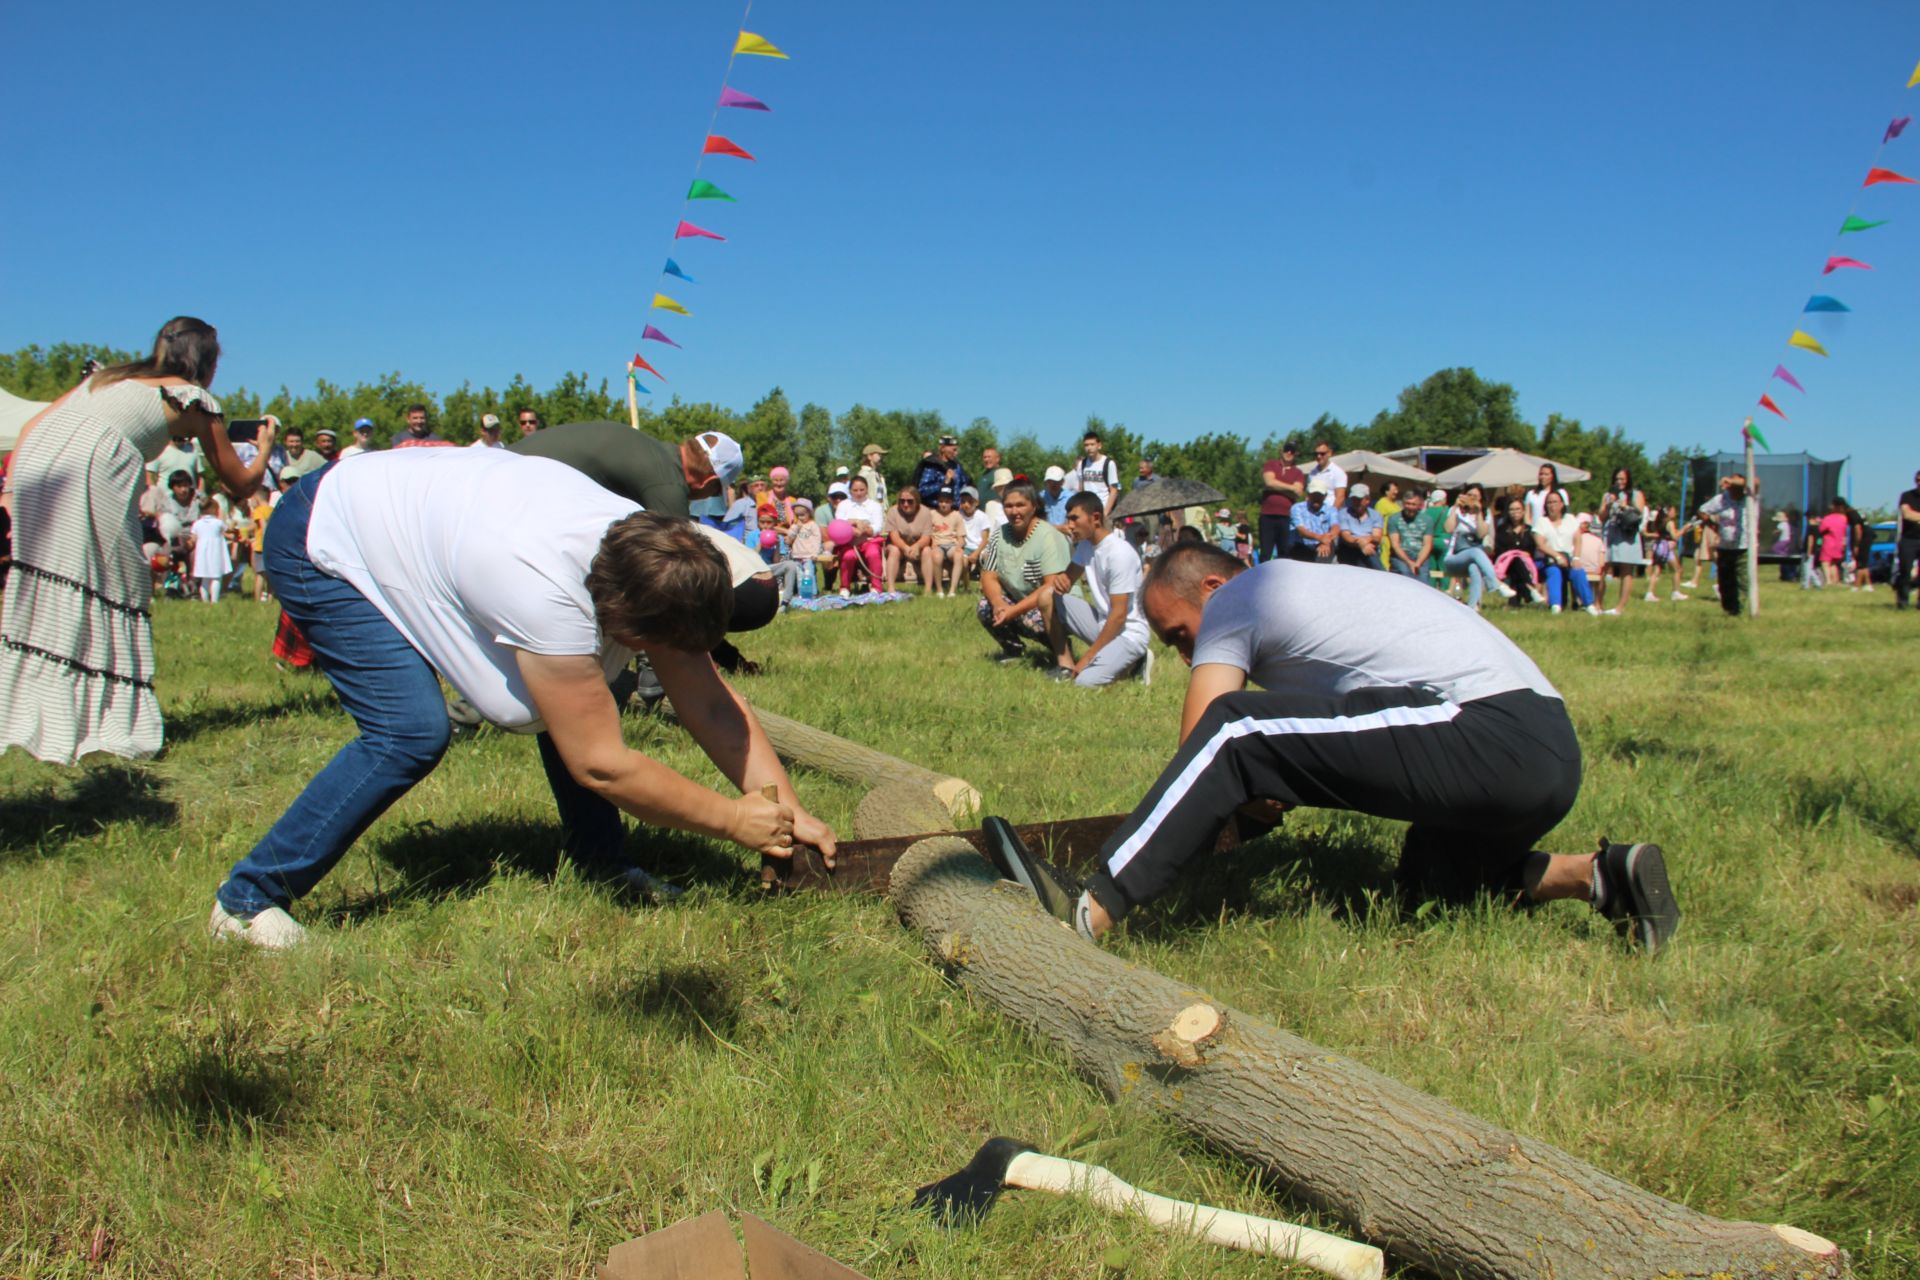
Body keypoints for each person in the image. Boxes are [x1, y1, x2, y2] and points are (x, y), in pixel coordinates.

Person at [207, 448, 838, 949]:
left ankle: (601, 862)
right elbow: (600, 762)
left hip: (429, 517)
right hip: (326, 534)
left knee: (576, 701)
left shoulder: (648, 557)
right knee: (410, 733)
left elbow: (709, 702)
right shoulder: (543, 589)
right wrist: (733, 820)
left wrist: (788, 809)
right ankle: (248, 900)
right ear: (616, 616)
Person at [984, 542, 1680, 954]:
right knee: (1426, 891)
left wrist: (1223, 806)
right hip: (1548, 750)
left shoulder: (1241, 598)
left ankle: (1086, 909)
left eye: (1177, 634)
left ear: (1213, 587)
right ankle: (1599, 876)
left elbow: (1205, 740)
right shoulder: (1318, 590)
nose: (1186, 650)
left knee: (1239, 730)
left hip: (1486, 729)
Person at [0, 318, 274, 763]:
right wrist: (264, 447)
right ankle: (103, 719)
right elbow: (240, 483)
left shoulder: (109, 378)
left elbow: (33, 425)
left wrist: (11, 490)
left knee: (45, 582)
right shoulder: (193, 398)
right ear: (207, 360)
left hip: (36, 460)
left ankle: (31, 709)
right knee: (116, 582)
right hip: (94, 465)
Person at [1045, 491, 1153, 687]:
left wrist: (1088, 657)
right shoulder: (1086, 545)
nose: (1069, 525)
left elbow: (1119, 615)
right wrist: (1062, 579)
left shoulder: (1119, 553)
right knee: (1046, 596)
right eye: (1068, 519)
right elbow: (1068, 578)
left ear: (1095, 518)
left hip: (1127, 633)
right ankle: (1066, 666)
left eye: (1074, 519)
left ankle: (1136, 663)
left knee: (1085, 682)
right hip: (1104, 623)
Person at [976, 482, 1073, 662]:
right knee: (985, 606)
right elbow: (988, 575)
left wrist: (1013, 612)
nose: (1014, 511)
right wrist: (998, 604)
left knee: (1035, 621)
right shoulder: (999, 535)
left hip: (1055, 606)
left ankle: (1061, 649)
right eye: (1009, 506)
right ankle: (1014, 651)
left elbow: (1051, 585)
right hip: (1019, 601)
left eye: (1020, 505)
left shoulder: (1048, 536)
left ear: (1034, 506)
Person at [1442, 484, 1513, 607]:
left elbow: (1481, 534)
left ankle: (1473, 606)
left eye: (1475, 497)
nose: (1471, 498)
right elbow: (1448, 529)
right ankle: (1496, 583)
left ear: (1480, 499)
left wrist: (1478, 512)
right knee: (1475, 552)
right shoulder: (1456, 511)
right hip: (1454, 558)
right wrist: (1455, 506)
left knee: (1474, 567)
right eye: (1469, 495)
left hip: (1473, 558)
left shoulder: (1485, 513)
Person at [1533, 491, 1599, 615]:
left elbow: (1578, 539)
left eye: (1555, 502)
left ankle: (1589, 605)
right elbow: (1540, 544)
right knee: (1554, 572)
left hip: (1568, 556)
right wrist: (1557, 556)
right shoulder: (1542, 521)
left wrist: (1576, 558)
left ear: (1562, 504)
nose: (1552, 505)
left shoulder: (1570, 519)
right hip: (1549, 558)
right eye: (1549, 502)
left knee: (1578, 571)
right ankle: (1555, 605)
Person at [1696, 473, 1752, 616]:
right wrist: (1711, 523)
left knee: (1743, 580)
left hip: (1744, 547)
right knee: (1725, 581)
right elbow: (1702, 510)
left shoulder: (1749, 497)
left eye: (1734, 486)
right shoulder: (1721, 499)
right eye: (1730, 486)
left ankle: (1740, 609)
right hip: (1725, 547)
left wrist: (1732, 481)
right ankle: (1729, 610)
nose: (1731, 488)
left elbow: (1755, 481)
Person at [1598, 468, 1647, 615]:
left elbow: (1639, 512)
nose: (1619, 482)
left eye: (1622, 479)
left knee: (1626, 570)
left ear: (1628, 480)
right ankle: (1598, 604)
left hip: (1627, 533)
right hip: (1611, 530)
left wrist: (1625, 505)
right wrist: (1608, 504)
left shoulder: (1636, 494)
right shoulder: (1607, 495)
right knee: (1602, 567)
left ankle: (1620, 607)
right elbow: (1601, 516)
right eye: (1617, 479)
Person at [836, 475, 886, 596]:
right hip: (849, 542)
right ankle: (845, 587)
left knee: (873, 553)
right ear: (850, 491)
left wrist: (862, 529)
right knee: (848, 556)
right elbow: (839, 523)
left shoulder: (874, 506)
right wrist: (854, 525)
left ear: (867, 489)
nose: (858, 493)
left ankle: (876, 587)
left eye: (862, 490)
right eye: (855, 490)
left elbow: (877, 527)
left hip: (869, 540)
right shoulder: (843, 505)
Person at [1258, 439, 1306, 563]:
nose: (1289, 452)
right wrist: (1290, 487)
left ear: (1296, 454)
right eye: (1287, 449)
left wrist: (1276, 486)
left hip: (1286, 517)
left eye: (1292, 451)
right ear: (1281, 451)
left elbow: (1298, 492)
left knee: (1284, 552)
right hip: (1267, 515)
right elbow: (1269, 482)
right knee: (1265, 552)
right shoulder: (1271, 464)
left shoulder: (1298, 472)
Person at [883, 484, 937, 592]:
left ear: (917, 501)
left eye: (910, 501)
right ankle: (891, 589)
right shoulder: (893, 511)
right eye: (902, 501)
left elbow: (926, 537)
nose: (905, 504)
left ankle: (928, 589)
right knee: (894, 551)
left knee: (927, 550)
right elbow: (894, 536)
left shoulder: (925, 512)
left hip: (919, 546)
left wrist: (916, 546)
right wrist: (905, 548)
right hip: (898, 546)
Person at [1492, 496, 1540, 603]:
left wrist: (1525, 554)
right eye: (1512, 509)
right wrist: (1514, 553)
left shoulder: (1529, 530)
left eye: (1518, 509)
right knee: (1515, 561)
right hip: (1505, 563)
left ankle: (1514, 603)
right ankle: (1530, 590)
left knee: (1517, 565)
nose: (1515, 512)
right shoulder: (1502, 529)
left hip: (1526, 564)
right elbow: (1499, 549)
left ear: (1523, 511)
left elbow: (1532, 548)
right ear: (1508, 512)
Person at [185, 498, 232, 603]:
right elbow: (228, 530)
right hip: (215, 551)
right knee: (216, 577)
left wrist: (190, 543)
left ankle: (205, 600)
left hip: (202, 552)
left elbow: (193, 538)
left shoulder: (197, 524)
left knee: (205, 578)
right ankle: (214, 601)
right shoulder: (218, 523)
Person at [1067, 429, 1121, 517]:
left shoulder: (1108, 464)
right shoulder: (1082, 464)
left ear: (1099, 446)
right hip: (1087, 509)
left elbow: (1114, 490)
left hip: (1103, 508)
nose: (1089, 448)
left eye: (1092, 444)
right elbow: (1081, 488)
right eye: (1086, 445)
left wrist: (1106, 512)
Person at [1386, 488, 1435, 581]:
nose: (1410, 507)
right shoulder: (1394, 519)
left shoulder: (1427, 520)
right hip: (1401, 556)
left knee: (1423, 581)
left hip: (1420, 556)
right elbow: (1395, 545)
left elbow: (1427, 544)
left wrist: (1418, 563)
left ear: (1419, 505)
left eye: (1413, 504)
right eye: (1407, 504)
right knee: (1405, 574)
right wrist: (1409, 562)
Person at [1334, 482, 1385, 569]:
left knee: (1370, 554)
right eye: (1354, 499)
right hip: (1349, 549)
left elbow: (1377, 537)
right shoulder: (1343, 513)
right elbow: (1346, 536)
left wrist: (1365, 541)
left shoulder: (1376, 515)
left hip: (1369, 548)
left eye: (1359, 499)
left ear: (1367, 500)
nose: (1356, 502)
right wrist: (1361, 544)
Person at [912, 434, 972, 506]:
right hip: (936, 511)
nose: (956, 453)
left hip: (955, 511)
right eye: (954, 450)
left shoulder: (957, 466)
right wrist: (944, 483)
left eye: (957, 450)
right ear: (943, 448)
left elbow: (965, 485)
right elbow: (923, 491)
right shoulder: (932, 465)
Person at [1642, 505, 1685, 602]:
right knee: (1676, 569)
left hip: (1659, 546)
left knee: (1656, 571)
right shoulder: (1670, 522)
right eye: (1673, 511)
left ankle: (1650, 593)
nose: (1675, 513)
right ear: (1668, 512)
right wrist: (1685, 528)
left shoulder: (1660, 522)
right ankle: (1675, 592)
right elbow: (1675, 536)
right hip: (1666, 548)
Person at [929, 487, 967, 597]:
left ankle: (952, 590)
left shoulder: (956, 515)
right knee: (936, 556)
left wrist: (959, 546)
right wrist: (932, 543)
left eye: (947, 502)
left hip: (951, 544)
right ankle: (939, 590)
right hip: (938, 543)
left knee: (959, 555)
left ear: (951, 502)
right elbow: (928, 533)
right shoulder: (932, 514)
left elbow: (961, 537)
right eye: (941, 501)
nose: (943, 504)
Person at [1289, 479, 1338, 563]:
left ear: (1325, 496)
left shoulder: (1331, 510)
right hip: (1301, 546)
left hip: (1323, 544)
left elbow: (1335, 528)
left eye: (1319, 495)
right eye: (1314, 495)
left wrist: (1326, 541)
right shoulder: (1297, 508)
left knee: (1323, 557)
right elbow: (1301, 531)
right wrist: (1320, 538)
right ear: (1308, 494)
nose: (1317, 498)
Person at [1897, 471, 1920, 611]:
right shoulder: (1907, 496)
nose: (1919, 482)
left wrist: (1916, 516)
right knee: (1905, 570)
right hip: (1908, 540)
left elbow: (1913, 515)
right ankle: (1903, 601)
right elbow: (1906, 514)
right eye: (1917, 479)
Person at [959, 486, 992, 583]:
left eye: (970, 501)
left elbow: (985, 539)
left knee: (985, 558)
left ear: (976, 502)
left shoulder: (982, 516)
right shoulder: (959, 515)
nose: (966, 505)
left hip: (979, 547)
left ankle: (984, 583)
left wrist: (976, 553)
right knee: (963, 562)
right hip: (966, 547)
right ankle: (966, 585)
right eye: (963, 501)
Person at [1816, 498, 1850, 589]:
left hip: (1829, 543)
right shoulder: (1844, 518)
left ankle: (1828, 580)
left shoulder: (1828, 518)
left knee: (1825, 562)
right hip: (1839, 544)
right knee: (1834, 563)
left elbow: (1821, 529)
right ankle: (1835, 580)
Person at [1524, 463, 1569, 527]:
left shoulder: (1561, 492)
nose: (1543, 477)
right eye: (1541, 474)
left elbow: (1566, 513)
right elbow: (1527, 515)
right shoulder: (1531, 494)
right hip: (1535, 530)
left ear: (1552, 476)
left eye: (1546, 474)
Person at [1305, 441, 1348, 508]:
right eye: (1316, 454)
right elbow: (1308, 496)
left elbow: (1340, 498)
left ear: (1329, 453)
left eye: (1322, 453)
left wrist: (1331, 515)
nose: (1319, 456)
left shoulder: (1338, 472)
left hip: (1331, 512)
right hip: (1314, 513)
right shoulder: (1312, 474)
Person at [1371, 479, 1402, 568]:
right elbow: (1377, 520)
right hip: (1385, 537)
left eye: (1397, 490)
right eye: (1394, 490)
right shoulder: (1382, 503)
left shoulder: (1395, 504)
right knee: (1384, 561)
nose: (1396, 492)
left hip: (1395, 538)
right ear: (1386, 491)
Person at [856, 444, 889, 515]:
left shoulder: (878, 475)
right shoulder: (864, 474)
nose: (881, 457)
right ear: (869, 456)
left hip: (881, 512)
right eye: (879, 455)